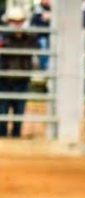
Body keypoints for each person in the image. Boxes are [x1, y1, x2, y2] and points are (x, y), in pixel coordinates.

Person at [0, 7, 36, 139]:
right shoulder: (3, 38)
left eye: (19, 21)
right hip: (4, 79)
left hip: (22, 80)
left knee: (19, 112)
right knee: (2, 112)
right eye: (14, 21)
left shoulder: (29, 38)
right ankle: (3, 137)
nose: (16, 24)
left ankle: (16, 137)